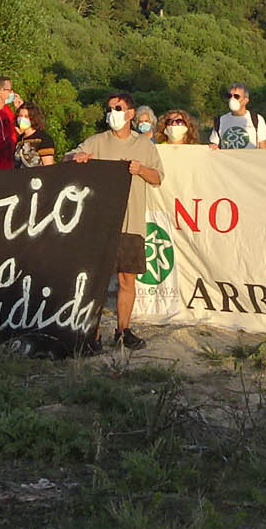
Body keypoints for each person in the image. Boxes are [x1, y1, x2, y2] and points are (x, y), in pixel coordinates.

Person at [67, 102, 165, 351]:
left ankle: (123, 330)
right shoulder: (97, 141)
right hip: (99, 222)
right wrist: (76, 157)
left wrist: (140, 169)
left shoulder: (143, 145)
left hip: (130, 221)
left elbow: (158, 178)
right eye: (110, 108)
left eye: (118, 108)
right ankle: (93, 333)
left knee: (126, 279)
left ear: (130, 113)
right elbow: (67, 157)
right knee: (95, 281)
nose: (113, 113)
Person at [208, 84, 266, 149]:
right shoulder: (220, 120)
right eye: (229, 96)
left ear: (245, 100)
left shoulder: (257, 119)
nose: (232, 99)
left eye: (236, 96)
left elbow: (263, 150)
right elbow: (214, 146)